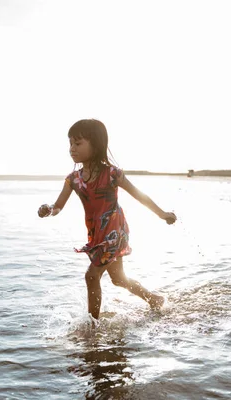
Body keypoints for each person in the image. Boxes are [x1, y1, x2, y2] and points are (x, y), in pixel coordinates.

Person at [38, 119, 177, 320]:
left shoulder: (112, 173)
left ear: (96, 145)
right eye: (70, 144)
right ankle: (154, 299)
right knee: (118, 279)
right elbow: (58, 206)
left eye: (78, 144)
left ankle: (92, 324)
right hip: (97, 235)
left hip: (114, 231)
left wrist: (162, 214)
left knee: (91, 276)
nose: (72, 149)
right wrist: (49, 209)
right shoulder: (73, 179)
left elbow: (138, 194)